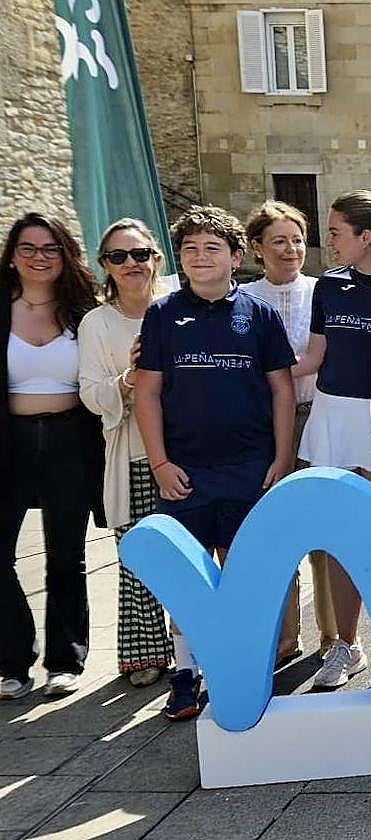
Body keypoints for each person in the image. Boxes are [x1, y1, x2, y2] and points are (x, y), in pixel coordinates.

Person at [134, 205, 296, 720]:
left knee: (242, 572)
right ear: (179, 258)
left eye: (212, 248)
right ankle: (186, 672)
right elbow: (147, 392)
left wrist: (282, 456)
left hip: (250, 469)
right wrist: (159, 463)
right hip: (184, 472)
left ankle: (242, 667)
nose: (200, 257)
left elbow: (281, 389)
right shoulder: (162, 315)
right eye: (190, 249)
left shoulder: (259, 314)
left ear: (236, 256)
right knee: (187, 575)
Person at [290, 191, 371, 689]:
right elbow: (313, 356)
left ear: (366, 237)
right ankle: (346, 645)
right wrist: (253, 375)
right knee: (340, 539)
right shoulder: (329, 286)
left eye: (336, 230)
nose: (329, 239)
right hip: (332, 421)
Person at [0, 213, 104, 700]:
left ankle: (65, 660)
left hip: (70, 440)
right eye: (28, 248)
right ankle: (13, 661)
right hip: (9, 442)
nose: (39, 257)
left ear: (65, 256)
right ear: (13, 254)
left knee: (66, 555)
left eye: (50, 249)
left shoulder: (84, 312)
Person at [241, 200, 338, 666]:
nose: (291, 249)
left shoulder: (323, 290)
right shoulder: (244, 300)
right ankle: (283, 639)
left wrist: (271, 372)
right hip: (265, 424)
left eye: (297, 239)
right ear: (257, 247)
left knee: (324, 533)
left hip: (318, 416)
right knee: (276, 532)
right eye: (278, 241)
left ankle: (334, 636)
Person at [78, 219, 174, 687]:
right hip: (133, 454)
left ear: (156, 258)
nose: (131, 264)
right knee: (139, 557)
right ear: (105, 266)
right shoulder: (97, 323)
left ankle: (193, 646)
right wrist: (131, 378)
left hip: (189, 449)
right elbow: (92, 395)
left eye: (140, 254)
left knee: (194, 553)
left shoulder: (177, 305)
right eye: (119, 256)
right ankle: (146, 654)